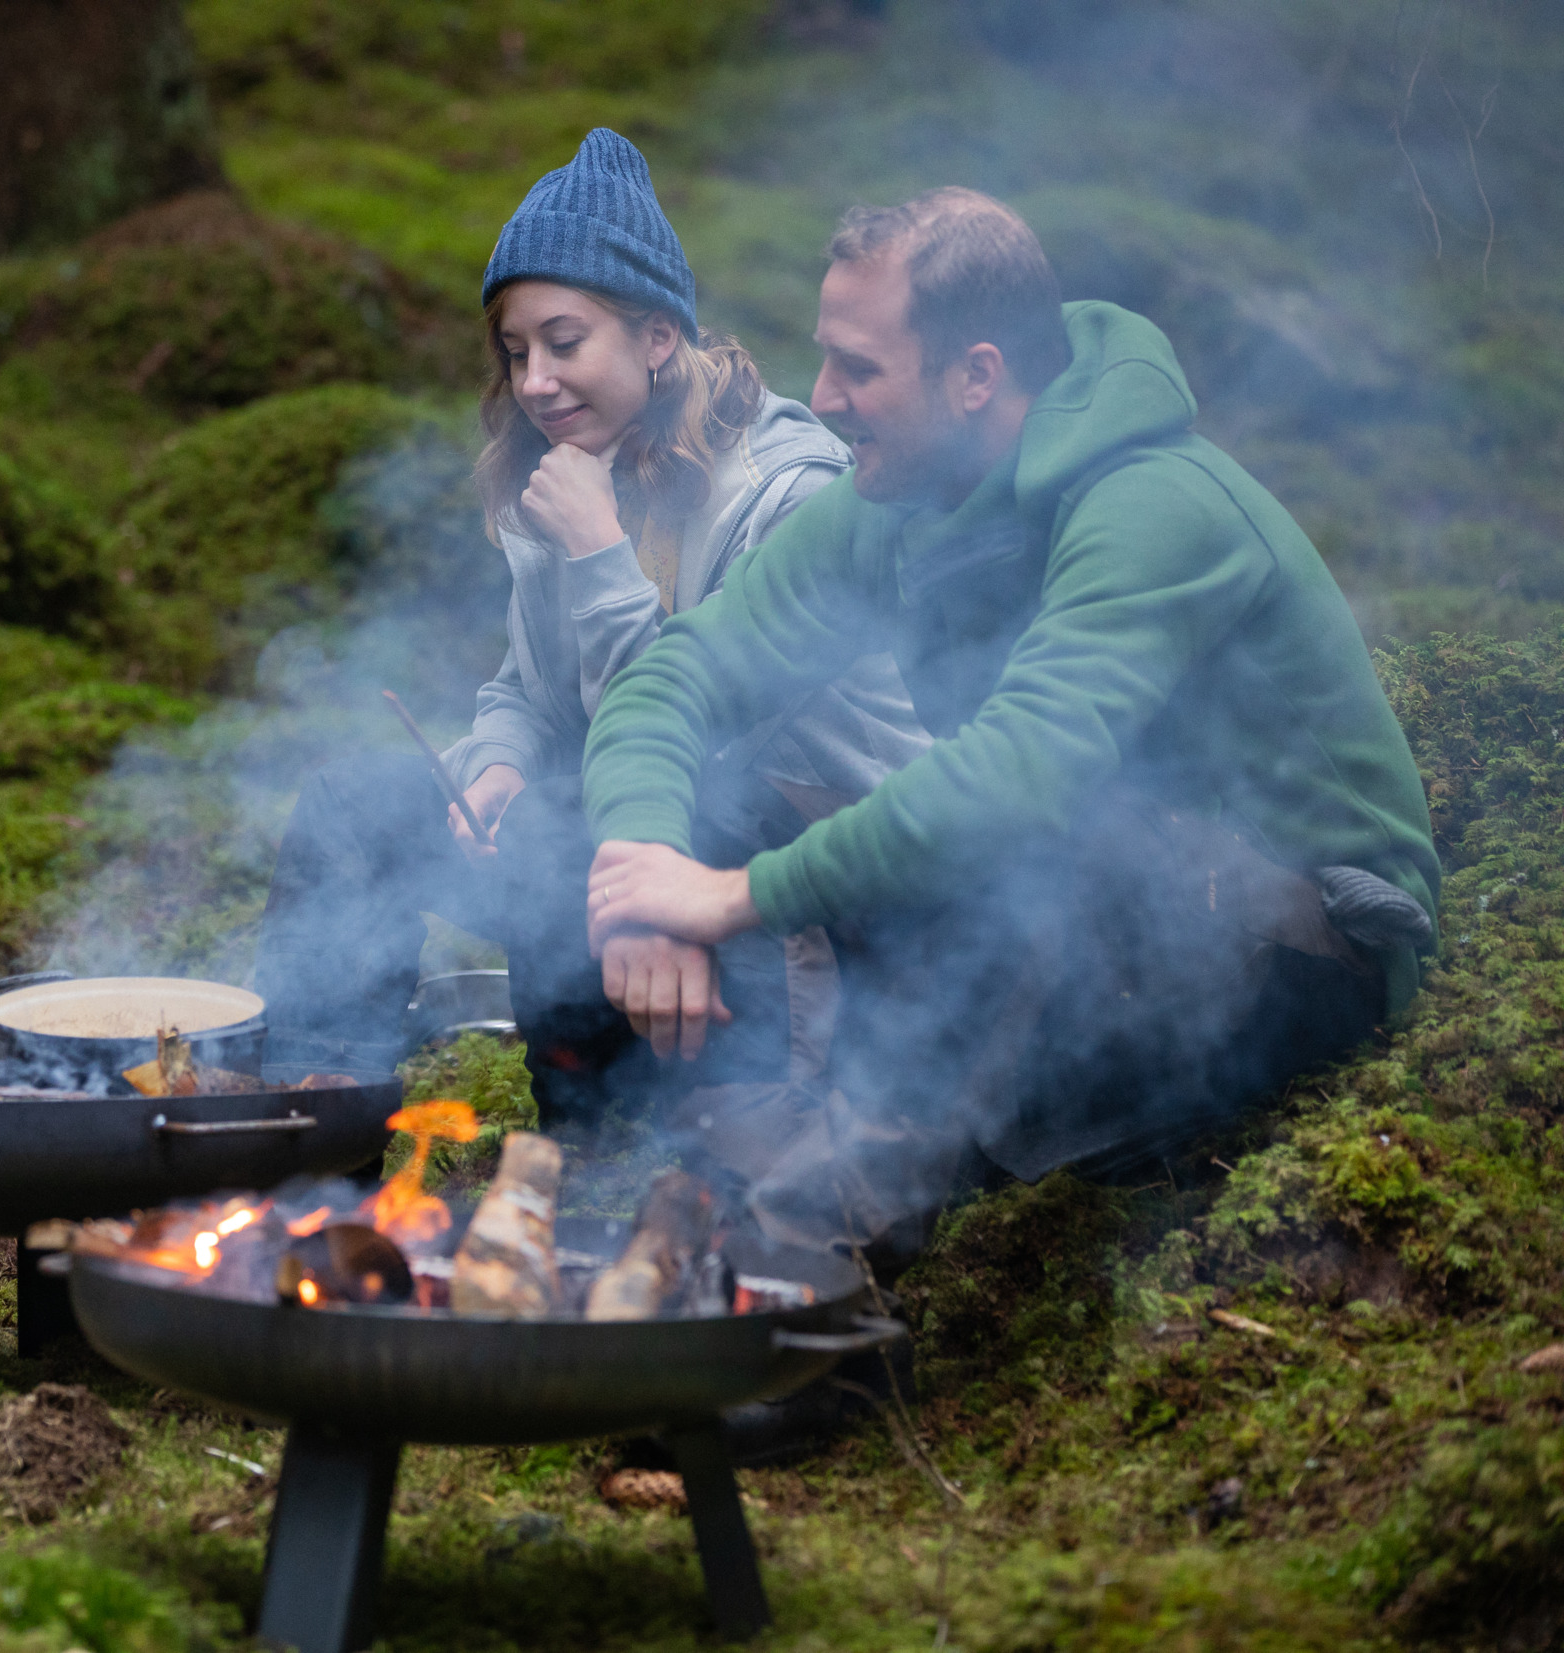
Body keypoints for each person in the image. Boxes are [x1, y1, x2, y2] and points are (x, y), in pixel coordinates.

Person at [578, 188, 1440, 1266]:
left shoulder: (1150, 505)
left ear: (975, 375)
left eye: (857, 368)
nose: (821, 396)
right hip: (1086, 907)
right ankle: (749, 1167)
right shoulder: (894, 506)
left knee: (1024, 842)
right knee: (723, 798)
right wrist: (646, 865)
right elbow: (680, 672)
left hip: (1305, 934)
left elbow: (1021, 778)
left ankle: (812, 1289)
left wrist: (733, 899)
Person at [251, 129, 927, 1121]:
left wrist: (599, 554)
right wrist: (497, 765)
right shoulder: (570, 467)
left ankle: (656, 1134)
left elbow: (691, 753)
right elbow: (524, 687)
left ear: (657, 337)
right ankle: (305, 1140)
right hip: (634, 845)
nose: (533, 383)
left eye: (563, 344)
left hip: (807, 888)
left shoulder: (792, 493)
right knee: (358, 808)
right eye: (516, 353)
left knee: (638, 823)